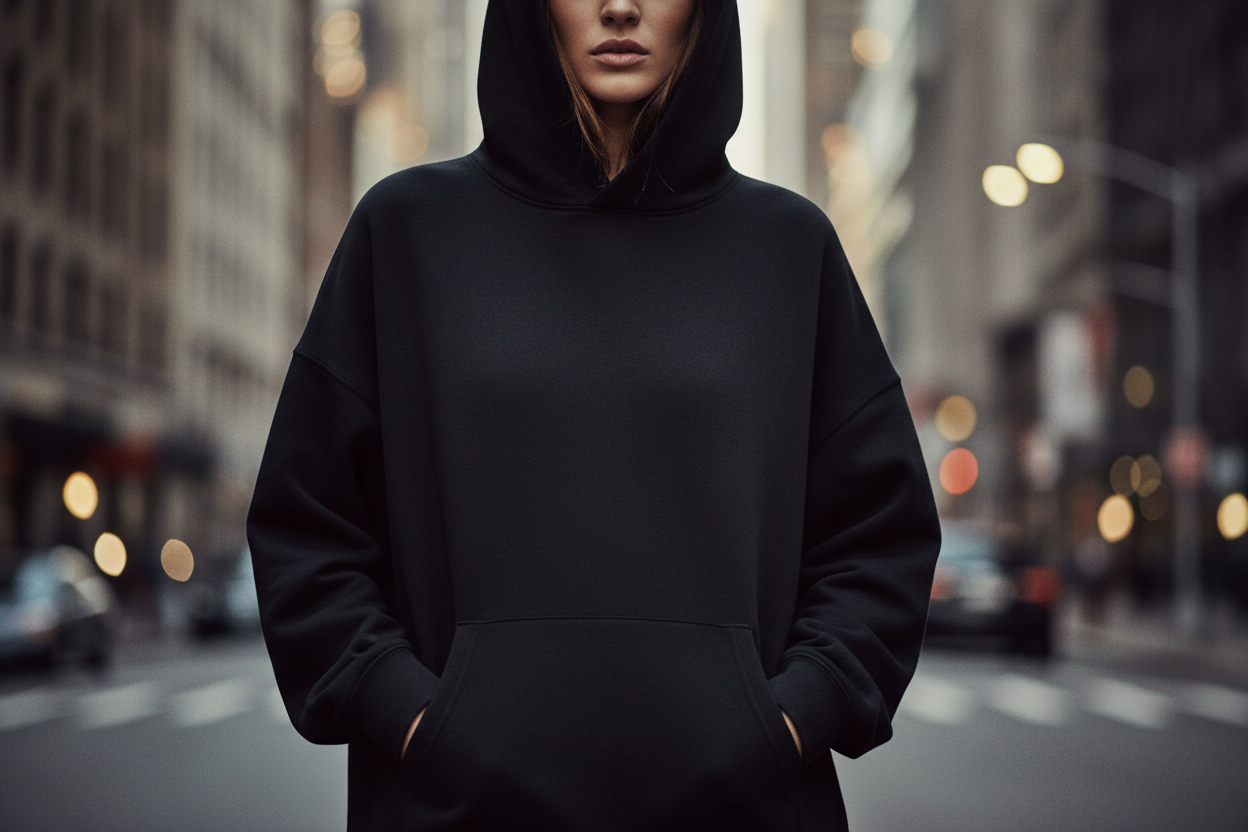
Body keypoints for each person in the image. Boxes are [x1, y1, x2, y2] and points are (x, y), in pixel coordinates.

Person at [246, 1, 941, 829]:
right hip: (455, 811)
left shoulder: (790, 249)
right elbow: (308, 525)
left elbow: (880, 538)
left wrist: (785, 721)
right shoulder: (405, 233)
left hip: (742, 811)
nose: (620, 5)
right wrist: (414, 717)